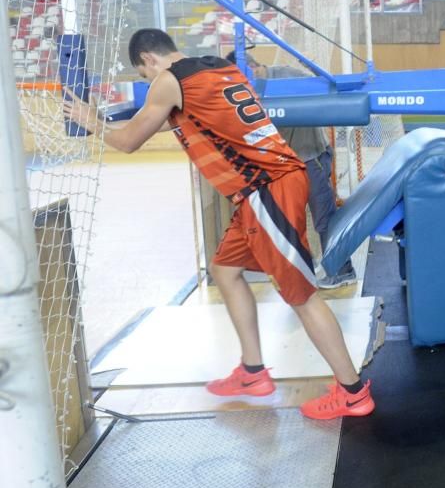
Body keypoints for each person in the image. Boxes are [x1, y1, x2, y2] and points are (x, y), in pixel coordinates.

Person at [64, 30, 374, 420]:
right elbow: (167, 119)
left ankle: (352, 391)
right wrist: (109, 117)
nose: (149, 84)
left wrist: (92, 122)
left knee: (301, 295)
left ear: (148, 60)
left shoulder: (169, 81)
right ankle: (252, 372)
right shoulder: (220, 69)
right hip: (261, 190)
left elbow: (128, 142)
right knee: (225, 270)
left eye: (145, 77)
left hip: (267, 188)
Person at [225, 50, 356, 290]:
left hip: (311, 156)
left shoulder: (287, 76)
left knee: (324, 219)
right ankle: (308, 268)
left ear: (252, 68)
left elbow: (324, 86)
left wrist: (313, 66)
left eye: (239, 77)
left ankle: (343, 271)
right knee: (289, 221)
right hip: (288, 165)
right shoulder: (246, 94)